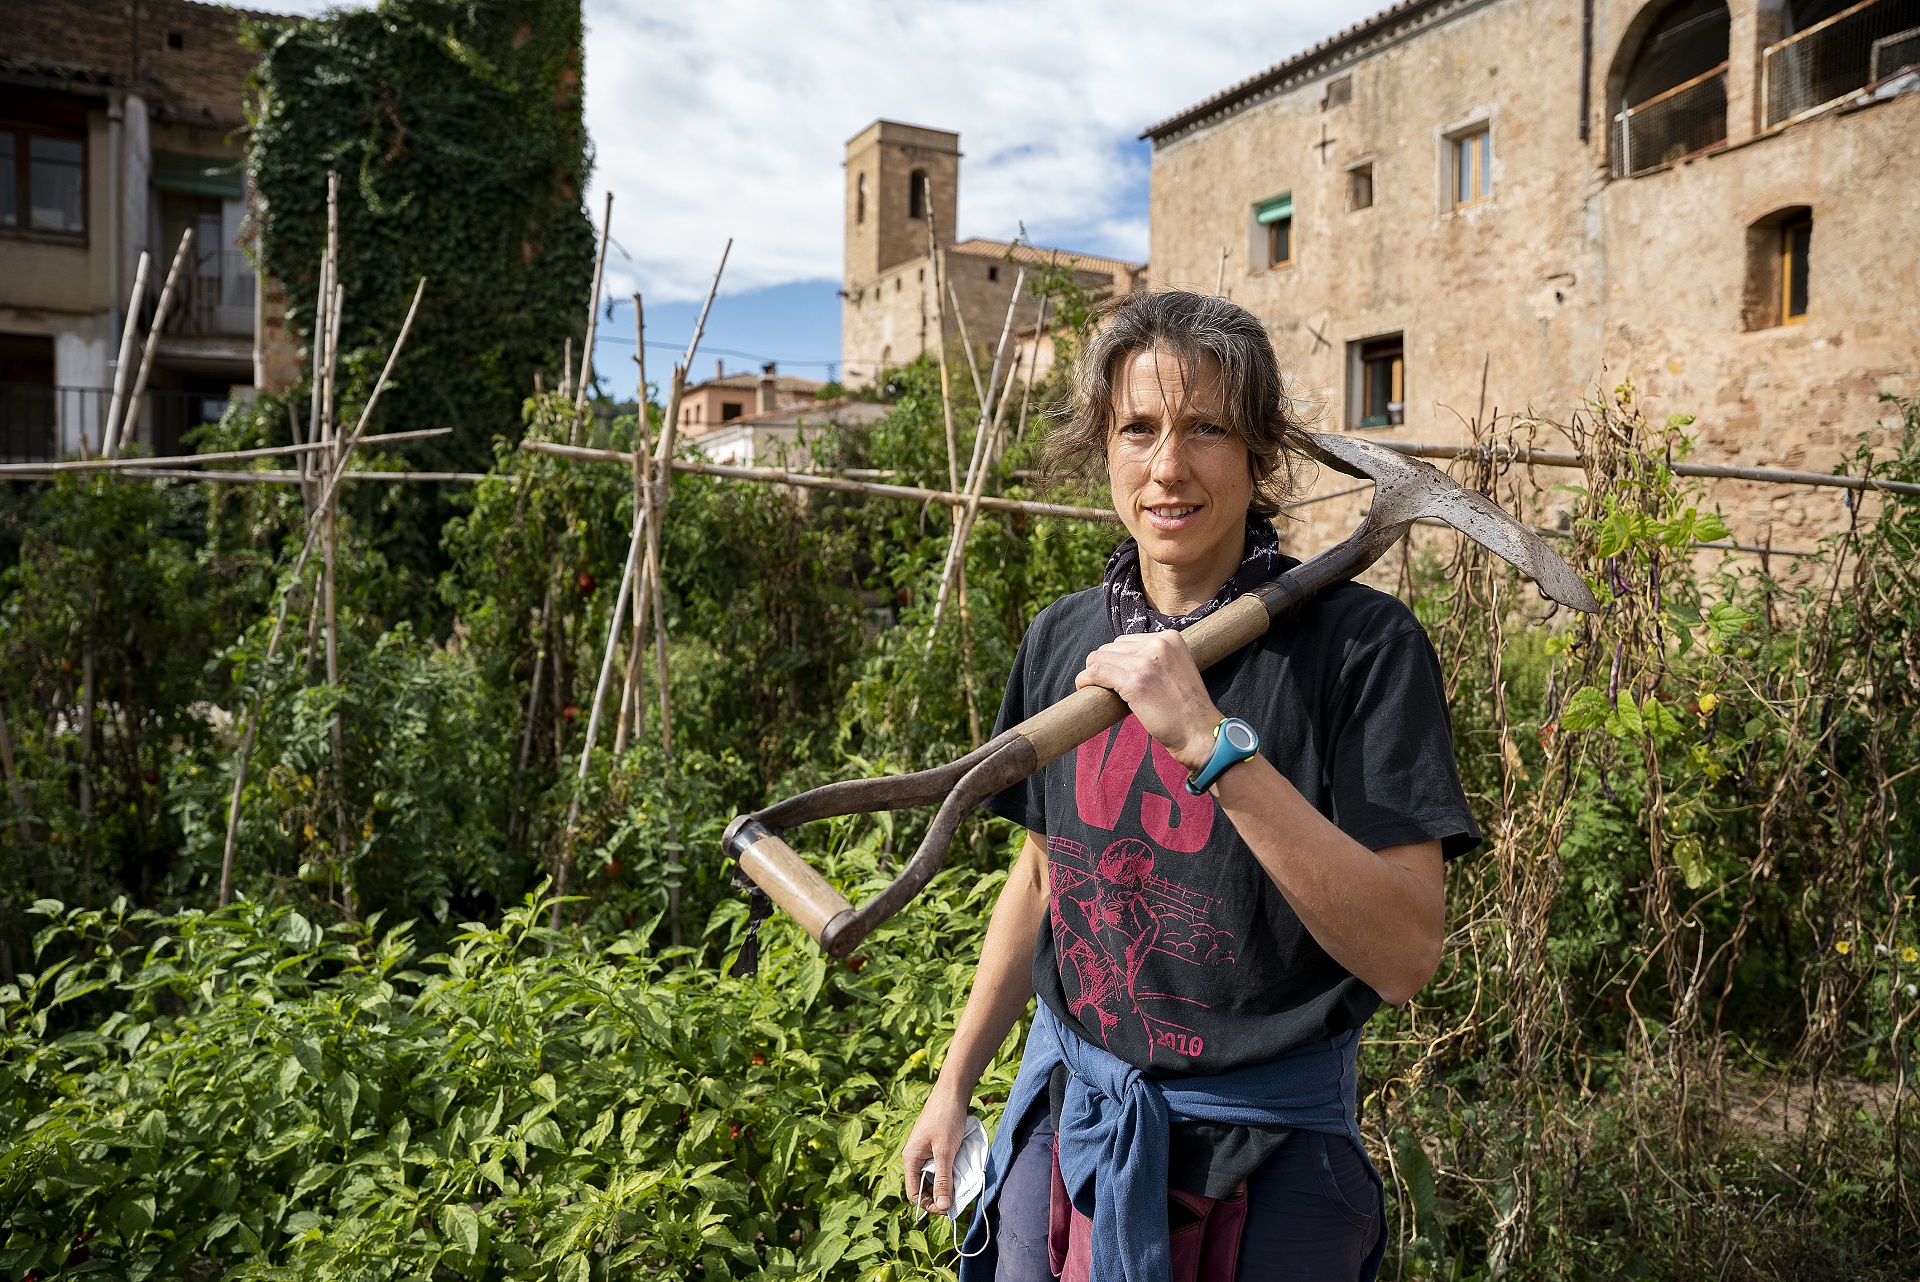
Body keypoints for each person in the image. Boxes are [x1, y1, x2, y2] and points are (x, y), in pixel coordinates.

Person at [900, 289, 1481, 1282]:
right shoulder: (1065, 638)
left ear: (1261, 453)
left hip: (1266, 1151)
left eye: (1206, 427)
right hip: (1072, 1110)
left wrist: (1214, 744)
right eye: (1138, 428)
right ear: (1105, 448)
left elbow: (1403, 952)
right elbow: (1044, 878)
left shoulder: (1361, 651)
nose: (1168, 466)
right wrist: (954, 1082)